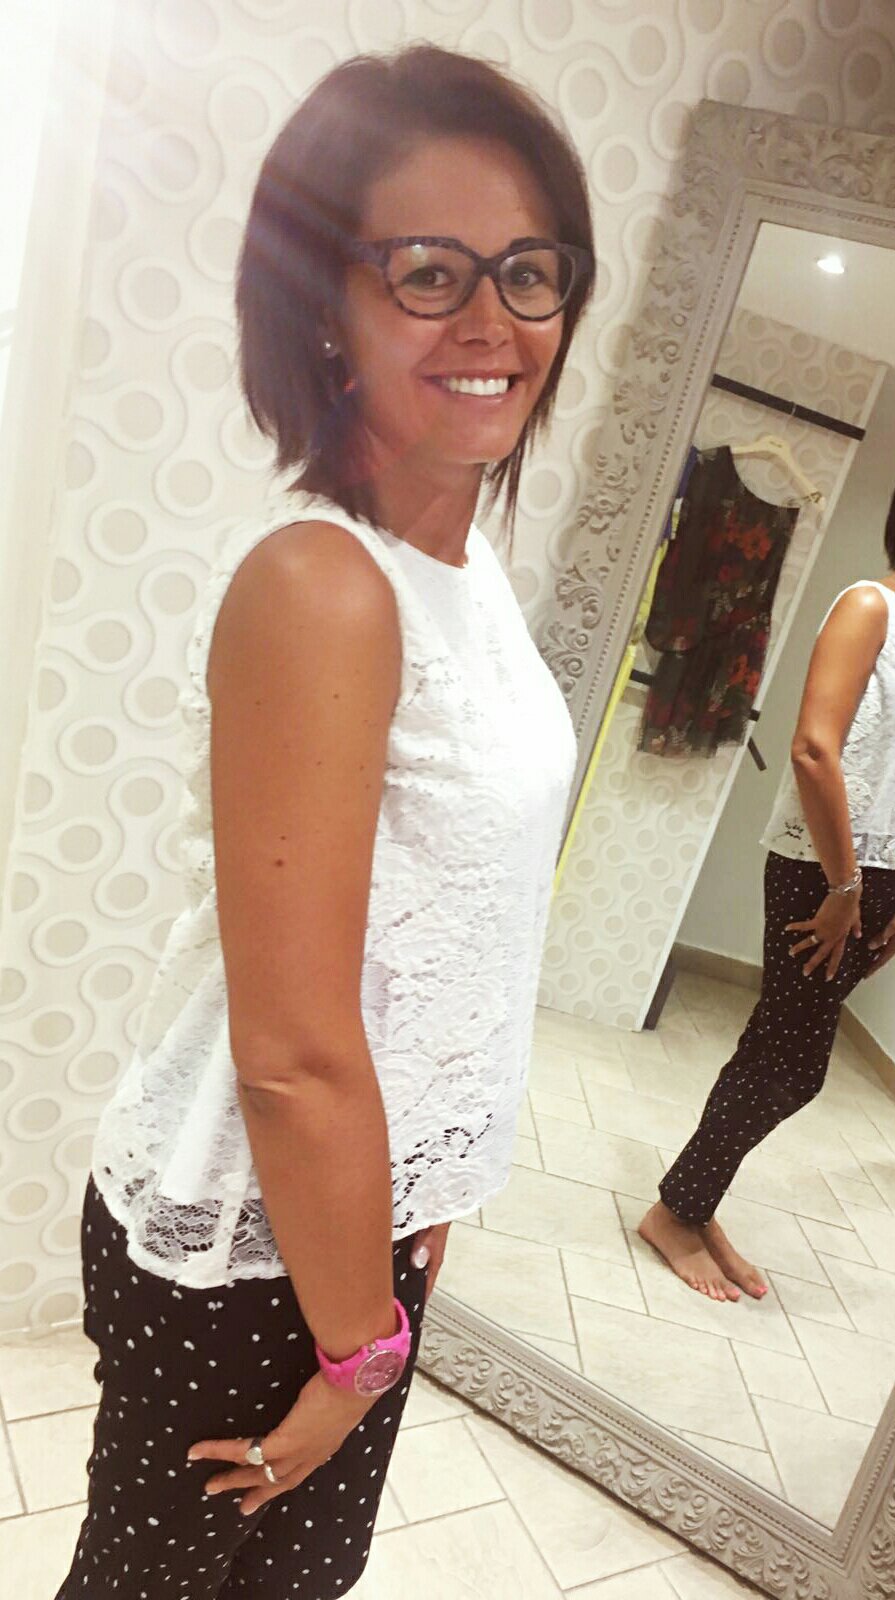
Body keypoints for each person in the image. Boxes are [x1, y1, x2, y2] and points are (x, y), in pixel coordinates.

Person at [58, 45, 594, 1598]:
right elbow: (291, 1053)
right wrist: (363, 1349)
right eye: (428, 272)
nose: (492, 320)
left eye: (529, 271)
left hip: (359, 1239)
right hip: (249, 1246)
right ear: (320, 308)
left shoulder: (463, 572)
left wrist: (420, 1219)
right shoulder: (322, 584)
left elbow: (445, 948)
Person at [640, 450, 895, 1301]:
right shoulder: (867, 606)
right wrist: (845, 887)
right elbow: (815, 748)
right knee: (792, 1063)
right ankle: (678, 1210)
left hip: (888, 876)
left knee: (777, 1047)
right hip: (824, 868)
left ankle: (694, 1204)